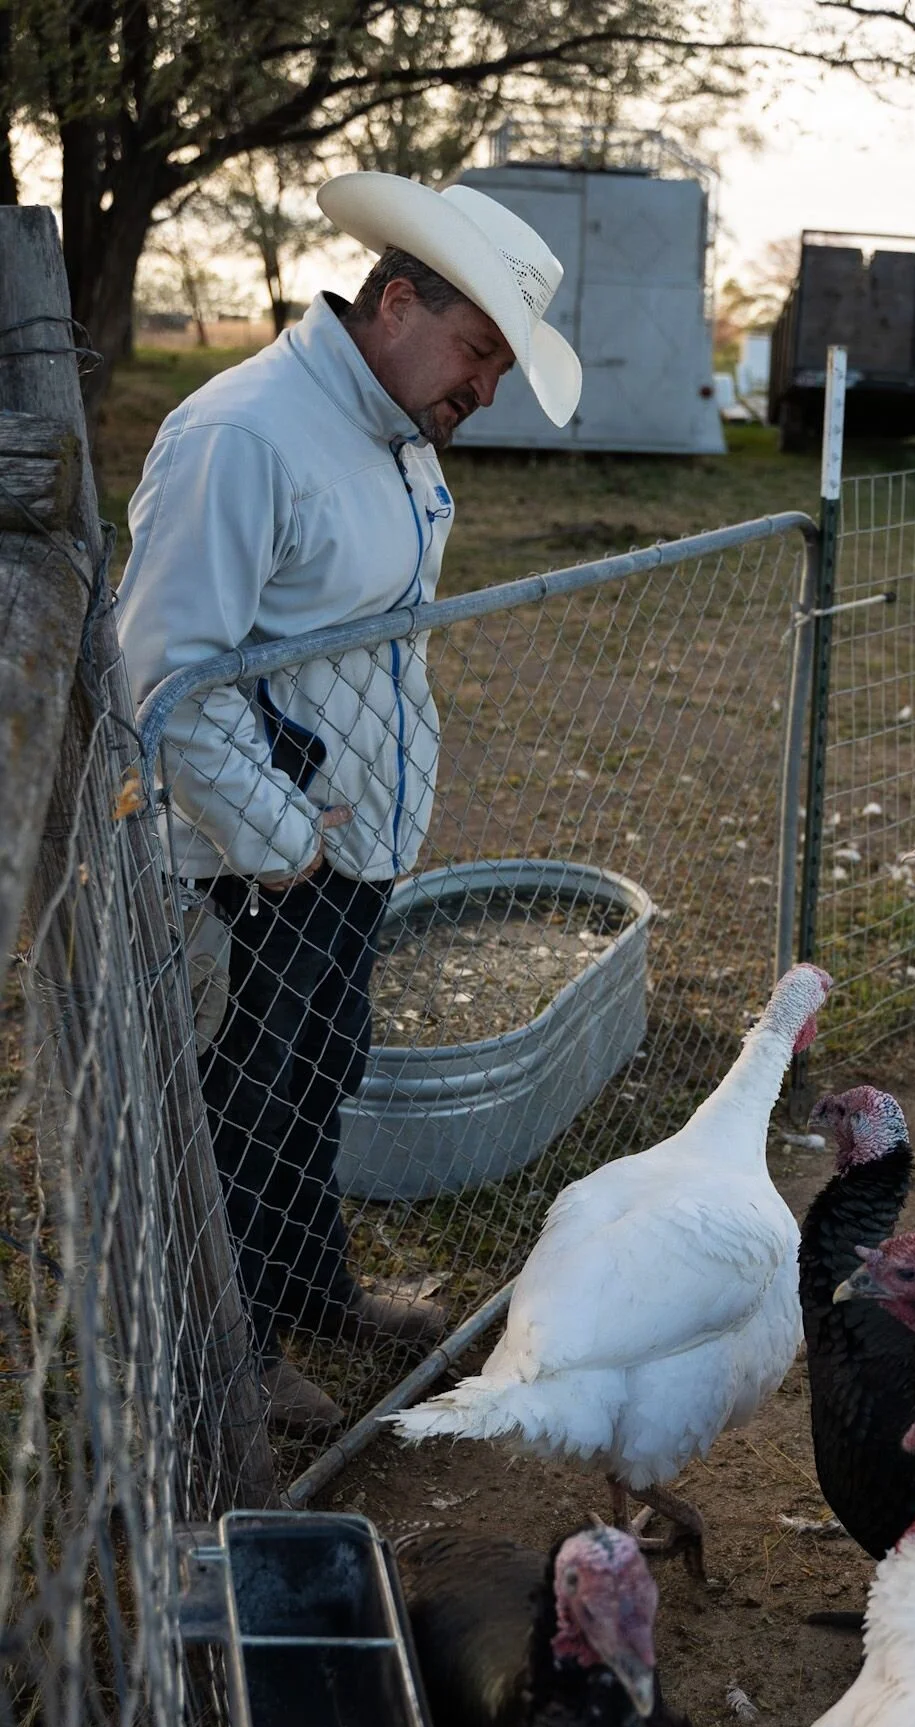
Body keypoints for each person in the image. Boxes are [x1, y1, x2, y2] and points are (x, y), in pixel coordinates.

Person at [119, 175, 582, 1436]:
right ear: (394, 301)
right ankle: (235, 1349)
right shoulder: (244, 437)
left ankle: (313, 1289)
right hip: (244, 853)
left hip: (342, 834)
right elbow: (163, 672)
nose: (485, 388)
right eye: (478, 351)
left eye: (498, 365)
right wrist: (276, 843)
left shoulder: (388, 435)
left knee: (321, 1065)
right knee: (245, 1096)